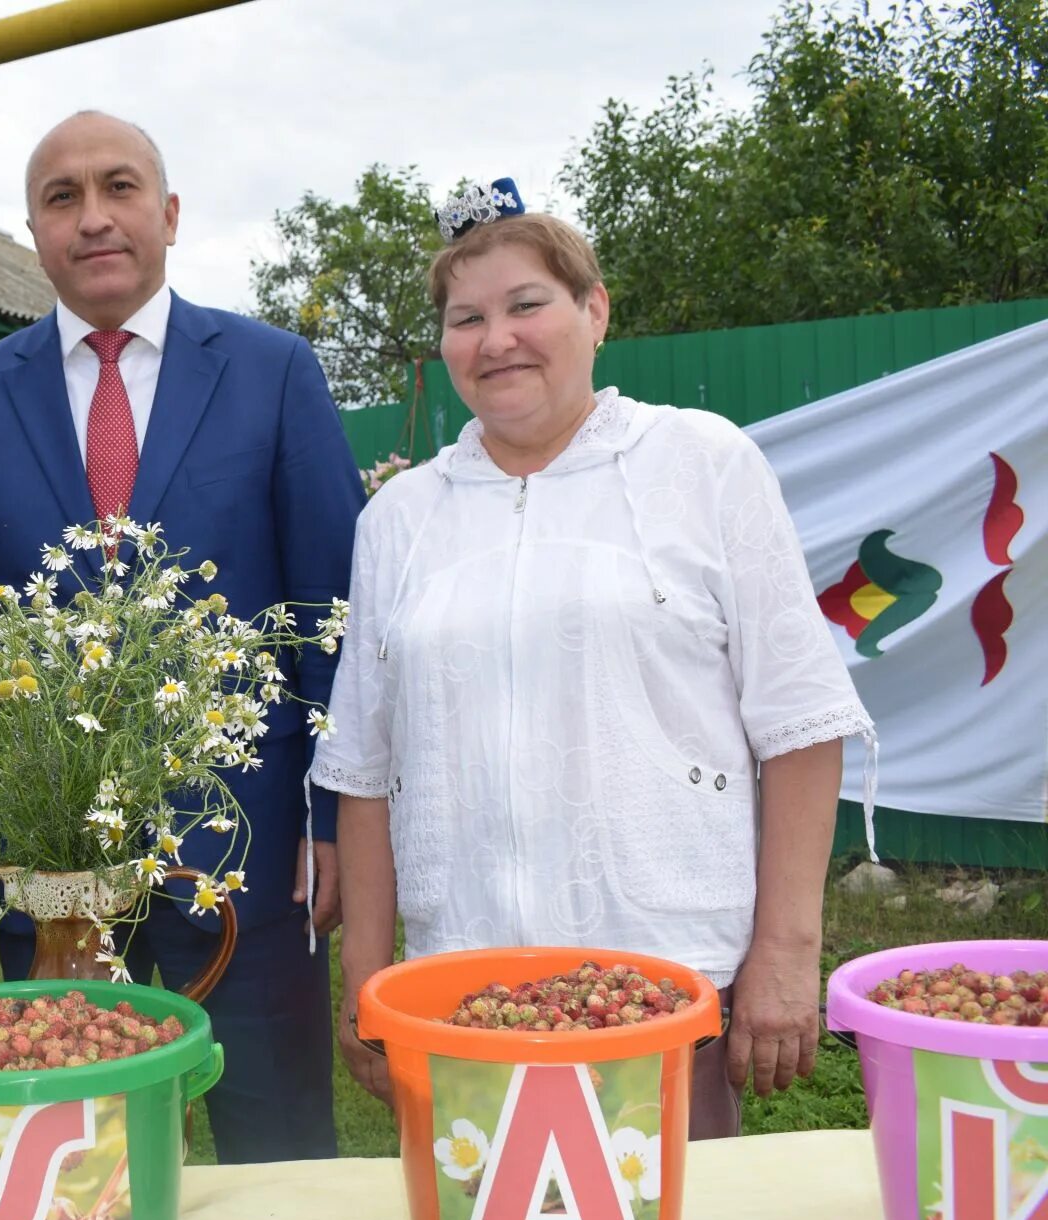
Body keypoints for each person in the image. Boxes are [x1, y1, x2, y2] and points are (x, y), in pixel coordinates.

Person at [315, 180, 874, 1136]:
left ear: (594, 310)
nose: (497, 341)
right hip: (465, 991)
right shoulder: (400, 519)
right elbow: (365, 767)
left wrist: (786, 951)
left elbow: (799, 722)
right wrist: (368, 969)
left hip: (663, 985)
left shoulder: (702, 462)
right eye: (467, 318)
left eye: (527, 304)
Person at [0, 112, 363, 1163]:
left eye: (118, 187)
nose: (94, 216)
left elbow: (332, 608)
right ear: (32, 231)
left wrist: (335, 815)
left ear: (169, 213)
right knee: (71, 1151)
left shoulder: (273, 369)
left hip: (247, 847)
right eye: (62, 197)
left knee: (277, 1141)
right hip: (48, 857)